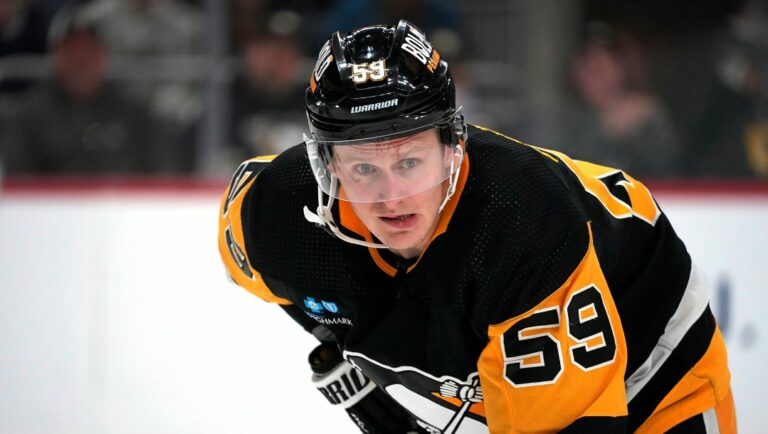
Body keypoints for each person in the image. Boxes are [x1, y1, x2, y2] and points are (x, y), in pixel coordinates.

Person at [217, 21, 735, 433]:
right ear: (326, 167)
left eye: (410, 163)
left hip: (654, 362)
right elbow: (277, 273)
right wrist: (341, 339)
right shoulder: (275, 215)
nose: (391, 197)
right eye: (364, 168)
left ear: (452, 148)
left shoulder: (524, 224)